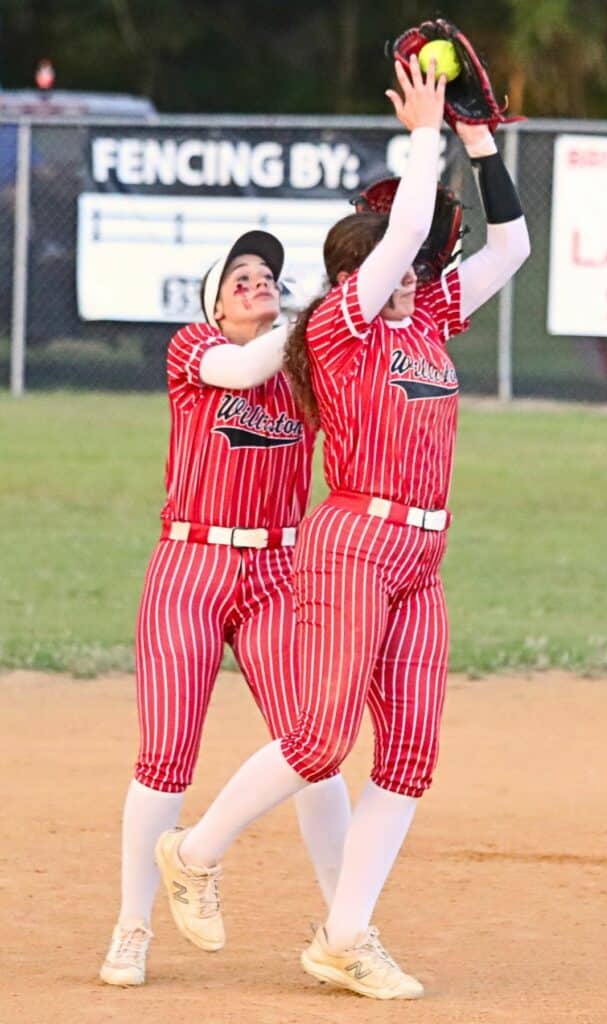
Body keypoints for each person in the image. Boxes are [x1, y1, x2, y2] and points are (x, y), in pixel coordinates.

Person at [155, 54, 530, 1000]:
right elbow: (405, 228)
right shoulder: (341, 328)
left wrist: (480, 147)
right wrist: (420, 135)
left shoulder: (427, 322)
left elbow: (510, 251)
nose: (420, 268)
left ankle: (344, 935)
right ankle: (193, 852)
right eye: (399, 262)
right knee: (319, 741)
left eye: (418, 264)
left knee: (409, 753)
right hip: (353, 543)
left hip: (424, 554)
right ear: (354, 273)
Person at [99, 231, 352, 987]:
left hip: (277, 568)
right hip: (191, 564)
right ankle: (132, 926)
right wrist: (319, 318)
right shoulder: (197, 349)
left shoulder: (305, 372)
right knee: (166, 758)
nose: (257, 280)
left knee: (314, 746)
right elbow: (244, 367)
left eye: (267, 273)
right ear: (214, 301)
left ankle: (346, 927)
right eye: (240, 274)